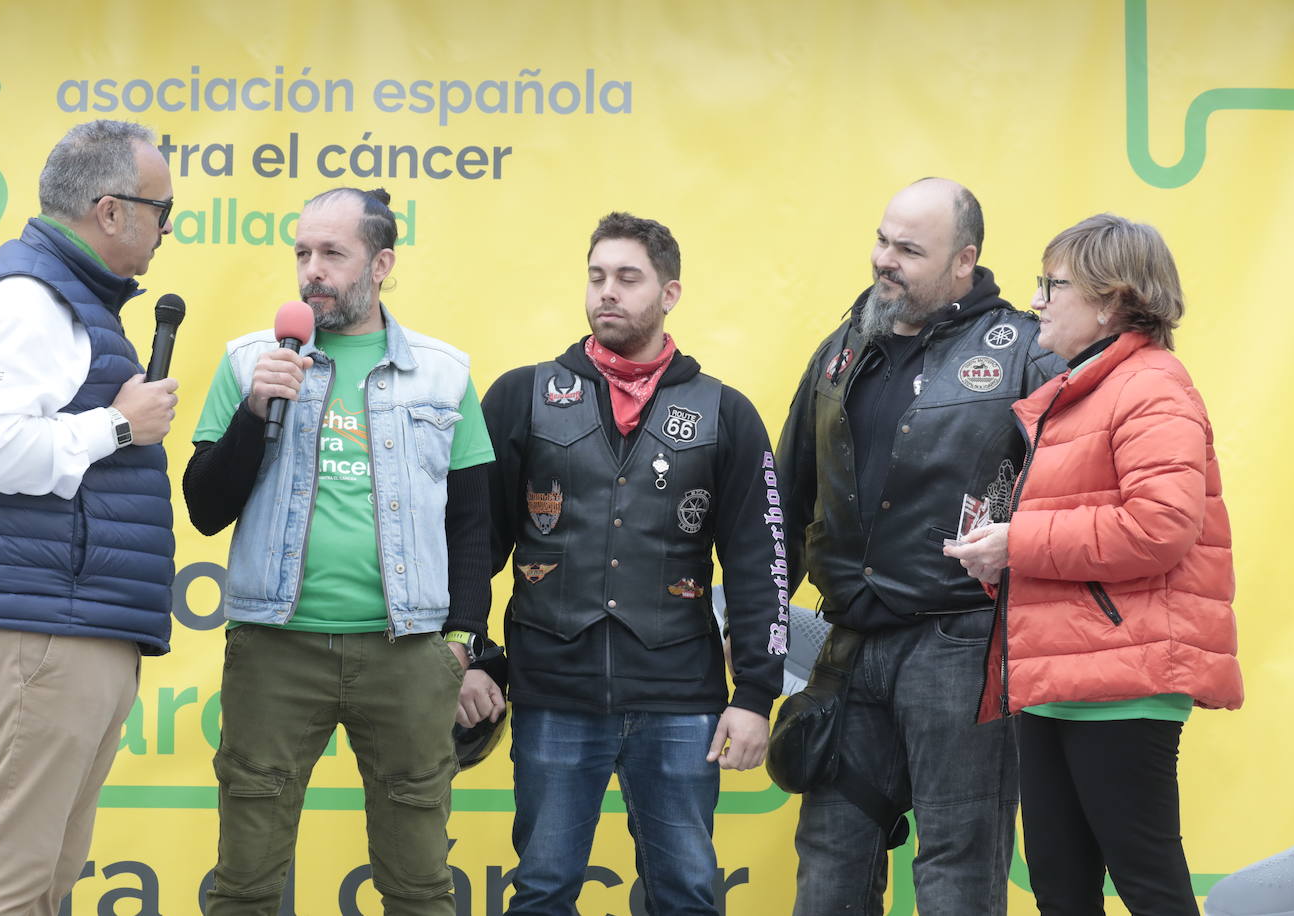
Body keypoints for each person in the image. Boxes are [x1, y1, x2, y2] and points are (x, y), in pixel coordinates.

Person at [182, 186, 494, 916]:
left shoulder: (444, 375)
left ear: (381, 263)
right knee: (246, 880)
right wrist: (256, 412)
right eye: (301, 253)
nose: (311, 271)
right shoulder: (249, 364)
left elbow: (473, 525)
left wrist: (459, 645)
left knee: (418, 883)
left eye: (332, 254)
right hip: (276, 650)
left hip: (407, 654)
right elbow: (204, 507)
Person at [474, 212, 786, 915]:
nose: (606, 292)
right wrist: (465, 651)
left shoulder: (725, 412)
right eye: (596, 277)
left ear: (670, 293)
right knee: (543, 890)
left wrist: (756, 694)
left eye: (627, 278)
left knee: (687, 895)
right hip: (553, 693)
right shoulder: (521, 396)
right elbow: (476, 544)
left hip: (680, 700)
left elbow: (759, 561)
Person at [777, 178, 1063, 915]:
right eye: (882, 240)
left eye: (909, 249)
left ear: (964, 260)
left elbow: (1069, 494)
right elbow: (788, 491)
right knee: (830, 863)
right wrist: (764, 632)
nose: (885, 260)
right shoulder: (842, 345)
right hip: (847, 643)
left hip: (961, 644)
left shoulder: (1026, 350)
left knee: (957, 871)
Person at [945, 213, 1243, 915]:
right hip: (1060, 675)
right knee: (1061, 890)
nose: (1037, 301)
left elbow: (1160, 526)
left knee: (1148, 886)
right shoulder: (1083, 388)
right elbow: (1079, 529)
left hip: (1122, 678)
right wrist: (998, 555)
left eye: (1052, 285)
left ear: (1111, 299)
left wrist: (1017, 541)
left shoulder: (1151, 385)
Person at [0, 119, 178, 916]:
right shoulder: (25, 297)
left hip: (61, 627)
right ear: (110, 211)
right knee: (4, 882)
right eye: (162, 211)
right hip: (35, 632)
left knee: (41, 879)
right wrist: (117, 425)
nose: (167, 230)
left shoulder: (64, 296)